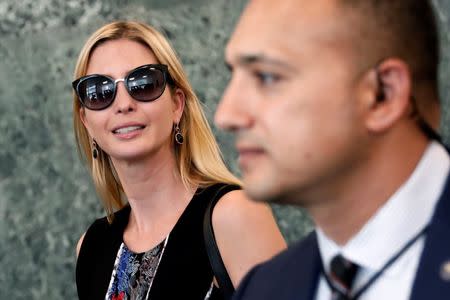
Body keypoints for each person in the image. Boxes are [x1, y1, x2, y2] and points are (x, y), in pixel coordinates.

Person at [215, 0, 450, 299]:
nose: (226, 115)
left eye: (267, 76)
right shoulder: (263, 288)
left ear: (383, 94)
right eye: (233, 76)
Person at [72, 21, 286, 300]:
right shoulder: (91, 247)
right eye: (99, 91)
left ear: (177, 105)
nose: (123, 104)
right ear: (86, 120)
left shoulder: (233, 215)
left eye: (143, 83)